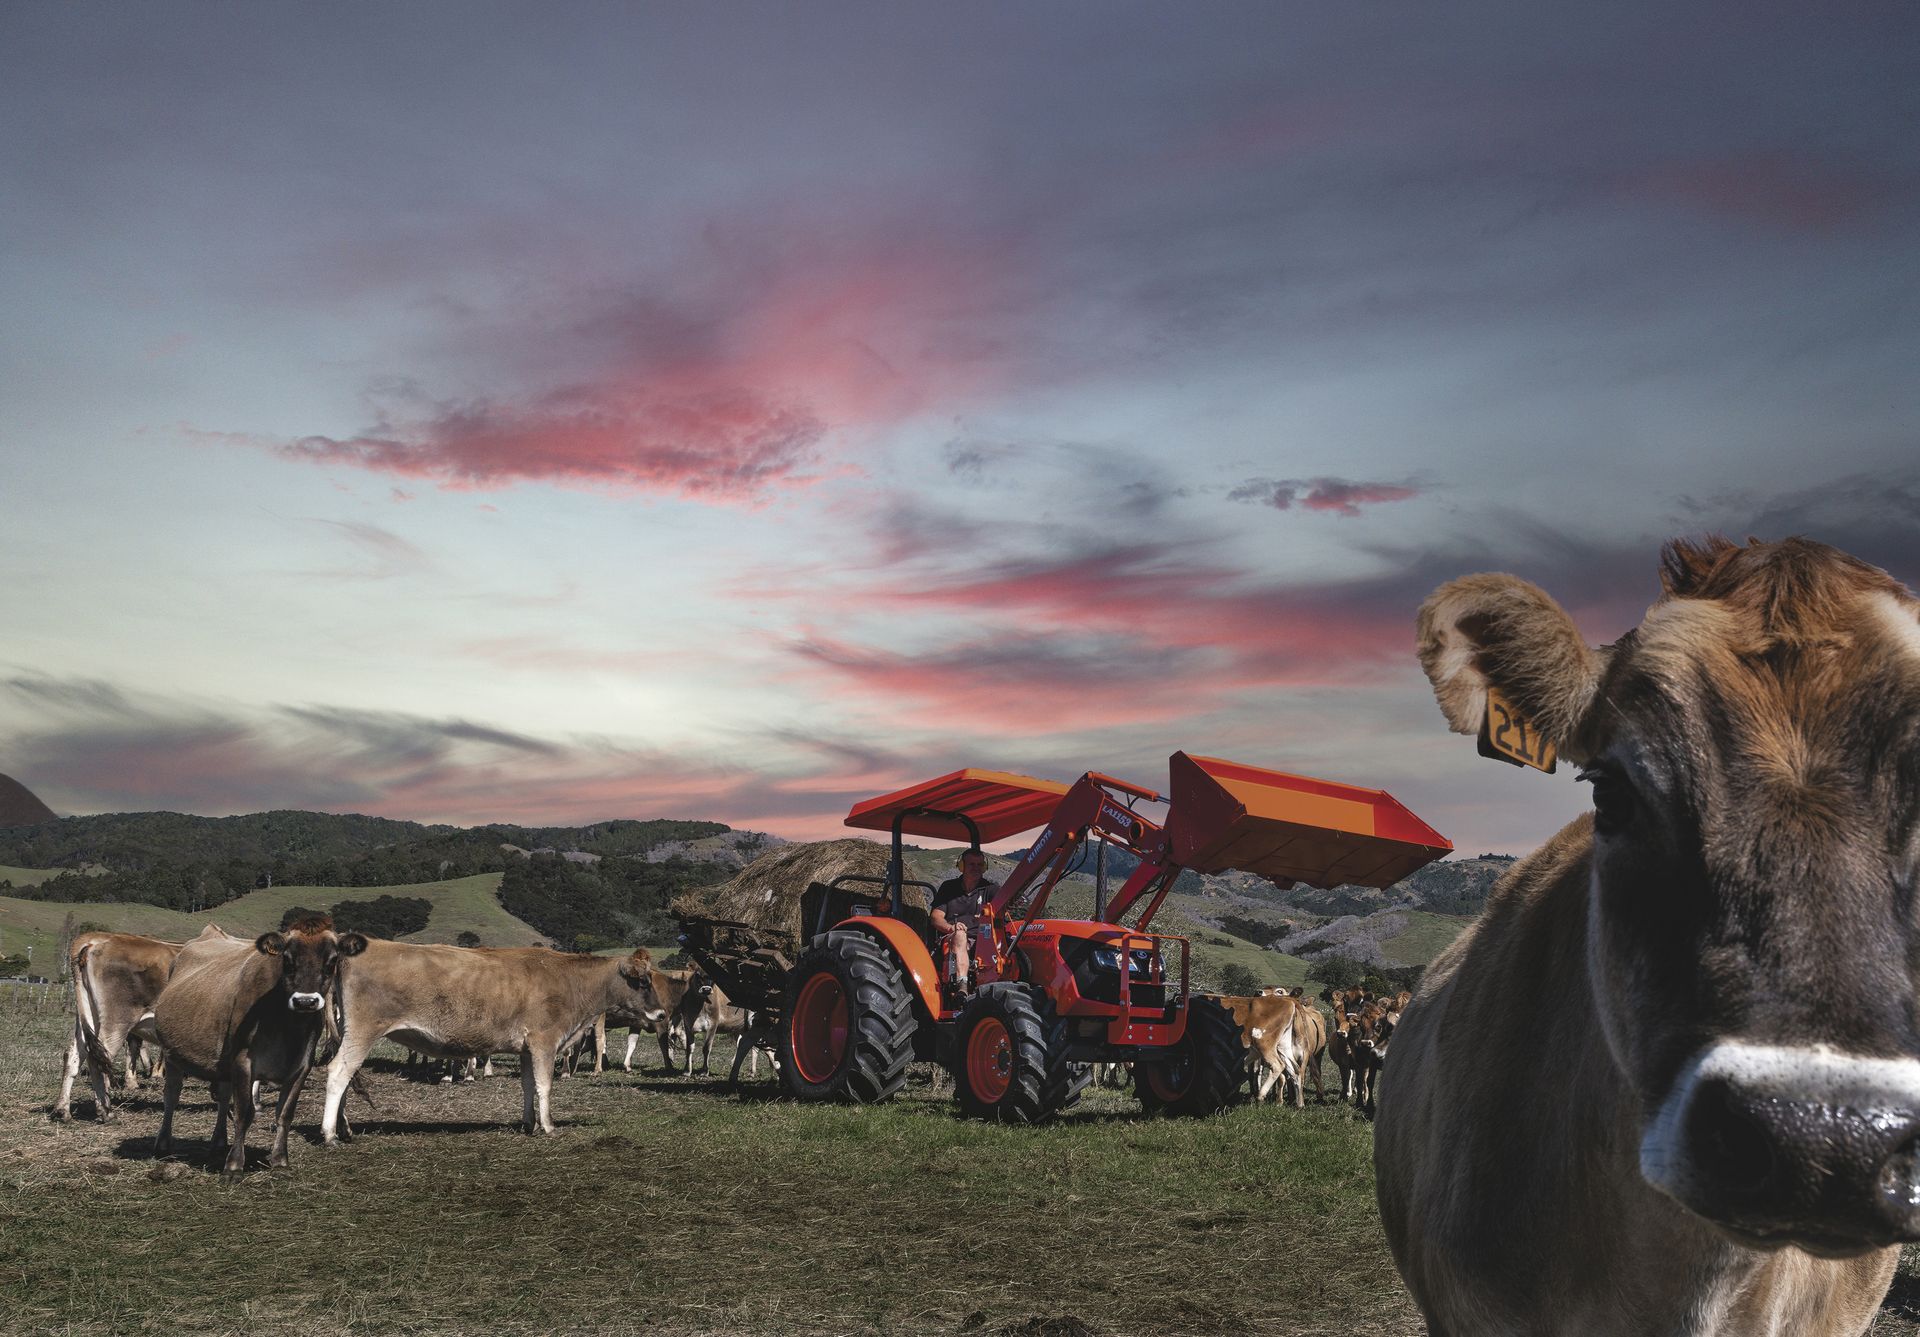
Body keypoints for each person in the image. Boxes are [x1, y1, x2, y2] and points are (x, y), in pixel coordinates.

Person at [930, 848, 996, 997]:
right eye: (972, 864)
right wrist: (950, 927)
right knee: (960, 935)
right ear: (962, 866)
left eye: (980, 865)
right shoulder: (948, 888)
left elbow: (1002, 913)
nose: (976, 868)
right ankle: (961, 985)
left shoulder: (990, 889)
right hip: (952, 938)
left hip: (983, 941)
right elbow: (935, 917)